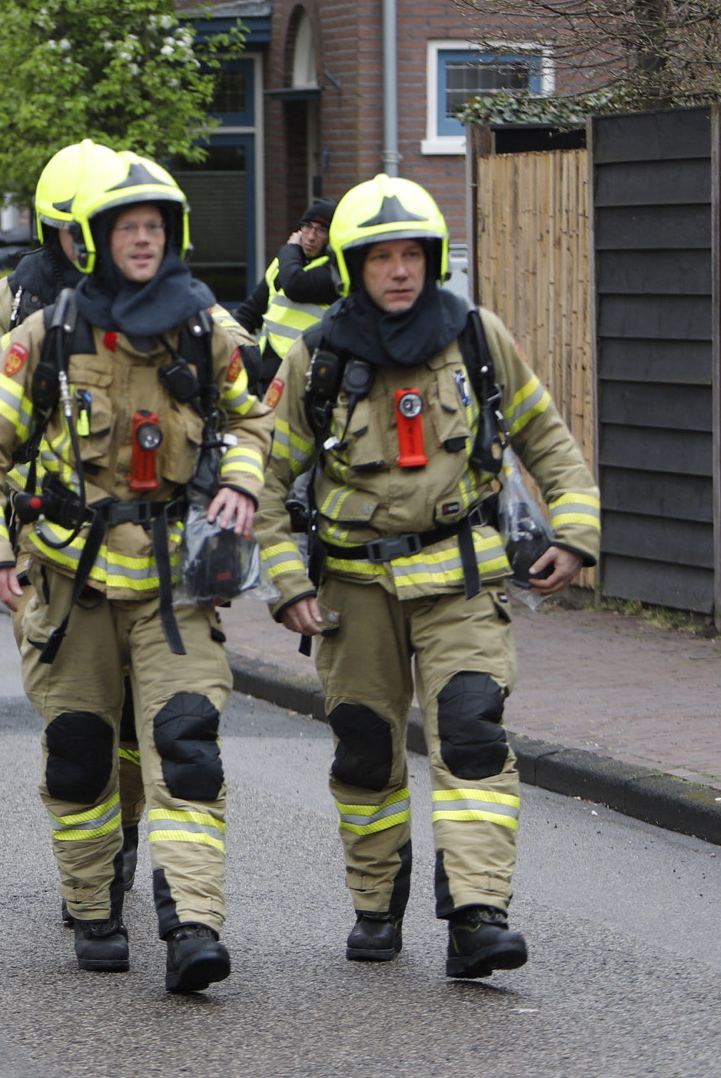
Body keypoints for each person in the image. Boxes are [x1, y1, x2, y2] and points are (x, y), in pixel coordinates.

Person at [253, 175, 599, 979]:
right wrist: (288, 583)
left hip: (462, 584)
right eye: (383, 257)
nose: (401, 270)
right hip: (352, 592)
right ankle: (376, 905)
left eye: (413, 254)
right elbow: (265, 479)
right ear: (353, 267)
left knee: (473, 734)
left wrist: (577, 533)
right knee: (366, 751)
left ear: (434, 259)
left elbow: (548, 438)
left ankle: (478, 913)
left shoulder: (477, 337)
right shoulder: (317, 357)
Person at [0, 151, 272, 992]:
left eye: (154, 226)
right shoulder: (48, 336)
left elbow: (256, 420)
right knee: (81, 754)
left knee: (186, 747)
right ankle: (95, 908)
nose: (142, 239)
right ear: (95, 239)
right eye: (127, 227)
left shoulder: (204, 330)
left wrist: (240, 481)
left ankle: (192, 923)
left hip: (174, 592)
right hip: (72, 586)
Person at [0, 141, 125, 415]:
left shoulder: (152, 291)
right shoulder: (18, 293)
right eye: (78, 231)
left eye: (101, 227)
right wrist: (25, 340)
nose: (91, 242)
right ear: (51, 230)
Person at [237, 198, 340, 378]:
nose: (311, 236)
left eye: (321, 230)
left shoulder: (335, 272)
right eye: (307, 226)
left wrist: (290, 247)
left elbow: (295, 285)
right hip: (265, 372)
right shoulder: (284, 263)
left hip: (306, 372)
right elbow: (250, 312)